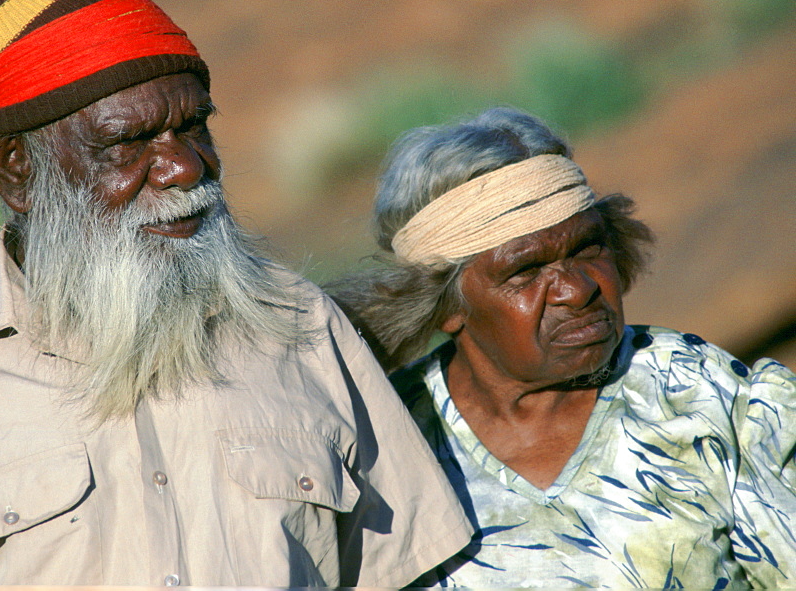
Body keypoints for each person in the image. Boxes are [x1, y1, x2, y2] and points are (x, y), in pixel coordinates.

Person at [0, 0, 472, 586]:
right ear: (15, 171)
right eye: (127, 142)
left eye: (194, 127)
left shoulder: (297, 327)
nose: (185, 168)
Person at [329, 107, 796, 588]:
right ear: (448, 306)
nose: (577, 289)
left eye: (588, 249)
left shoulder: (702, 395)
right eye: (525, 272)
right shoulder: (385, 449)